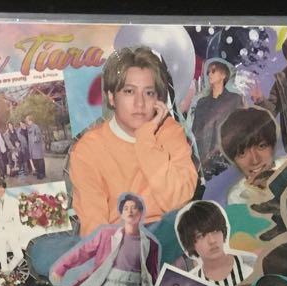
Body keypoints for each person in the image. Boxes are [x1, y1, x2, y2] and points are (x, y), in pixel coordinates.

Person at [68, 45, 198, 238]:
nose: (140, 103)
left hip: (170, 237)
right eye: (129, 91)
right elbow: (94, 229)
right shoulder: (88, 149)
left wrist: (145, 139)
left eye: (149, 93)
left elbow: (178, 202)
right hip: (117, 242)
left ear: (158, 99)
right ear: (112, 97)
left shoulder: (170, 132)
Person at [51, 192, 160, 286]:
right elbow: (83, 252)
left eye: (134, 208)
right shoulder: (107, 235)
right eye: (126, 208)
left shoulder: (150, 244)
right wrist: (61, 268)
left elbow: (152, 275)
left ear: (140, 213)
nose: (130, 211)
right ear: (121, 214)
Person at [176, 200, 255, 286]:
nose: (212, 241)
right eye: (201, 236)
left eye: (215, 231)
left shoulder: (252, 264)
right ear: (190, 243)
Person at [188, 58, 244, 177]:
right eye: (208, 72)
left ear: (223, 75)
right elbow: (195, 132)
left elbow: (241, 129)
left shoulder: (234, 99)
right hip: (204, 165)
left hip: (228, 161)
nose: (209, 74)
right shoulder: (201, 103)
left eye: (213, 71)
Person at [23, 113, 46, 178]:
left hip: (37, 148)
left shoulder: (36, 127)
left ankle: (42, 174)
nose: (27, 122)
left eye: (27, 120)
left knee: (40, 161)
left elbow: (38, 136)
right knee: (35, 161)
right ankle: (38, 172)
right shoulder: (29, 128)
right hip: (32, 148)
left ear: (31, 120)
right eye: (27, 121)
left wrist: (33, 139)